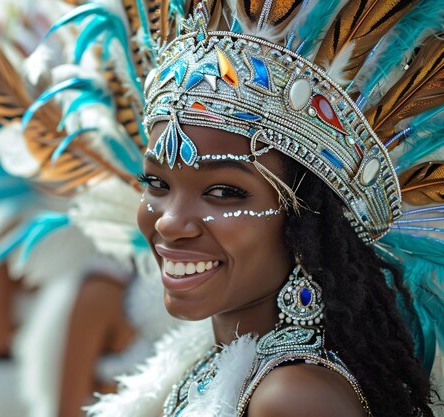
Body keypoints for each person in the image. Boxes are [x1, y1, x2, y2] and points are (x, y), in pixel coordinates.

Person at [26, 0, 443, 416]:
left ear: (311, 221)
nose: (170, 222)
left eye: (224, 192)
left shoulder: (293, 397)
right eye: (157, 183)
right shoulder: (216, 368)